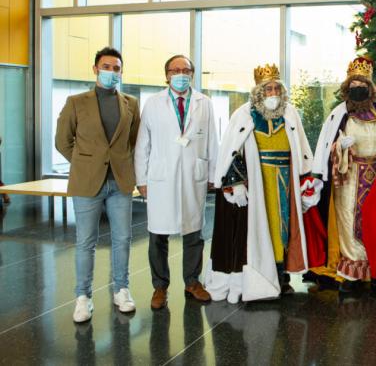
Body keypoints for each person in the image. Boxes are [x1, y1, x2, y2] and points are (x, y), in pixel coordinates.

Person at [205, 63, 317, 303]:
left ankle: (282, 277)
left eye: (277, 88)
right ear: (258, 91)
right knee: (258, 230)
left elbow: (302, 148)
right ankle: (259, 280)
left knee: (283, 229)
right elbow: (231, 151)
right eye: (268, 89)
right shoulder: (243, 115)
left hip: (284, 180)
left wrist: (307, 178)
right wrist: (234, 183)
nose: (273, 93)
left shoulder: (290, 113)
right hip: (258, 181)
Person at [311, 57, 376, 294]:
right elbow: (329, 147)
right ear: (348, 88)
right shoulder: (340, 114)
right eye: (354, 85)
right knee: (349, 220)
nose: (359, 89)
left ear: (371, 88)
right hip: (350, 175)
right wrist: (340, 147)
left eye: (363, 84)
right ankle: (353, 274)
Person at [55, 46, 141, 323]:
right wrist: (84, 162)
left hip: (120, 181)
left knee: (122, 239)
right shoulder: (76, 102)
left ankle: (121, 290)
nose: (111, 72)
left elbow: (134, 140)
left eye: (116, 68)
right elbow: (62, 141)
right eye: (106, 67)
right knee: (85, 242)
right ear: (95, 69)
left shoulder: (130, 103)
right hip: (87, 182)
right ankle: (83, 296)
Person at [134, 54, 219, 310]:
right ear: (167, 75)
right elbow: (142, 144)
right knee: (158, 234)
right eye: (175, 70)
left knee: (194, 232)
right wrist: (141, 179)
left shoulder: (204, 103)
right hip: (160, 177)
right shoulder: (152, 103)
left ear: (192, 74)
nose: (181, 74)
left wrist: (213, 175)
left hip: (193, 176)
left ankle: (192, 282)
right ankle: (160, 286)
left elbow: (212, 141)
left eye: (186, 70)